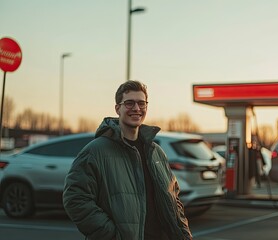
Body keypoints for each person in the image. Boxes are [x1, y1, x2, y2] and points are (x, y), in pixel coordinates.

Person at [63, 80, 192, 240]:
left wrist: (184, 234)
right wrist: (111, 235)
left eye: (141, 103)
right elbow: (76, 198)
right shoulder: (96, 151)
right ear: (118, 108)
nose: (136, 108)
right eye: (129, 103)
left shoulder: (156, 152)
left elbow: (174, 198)